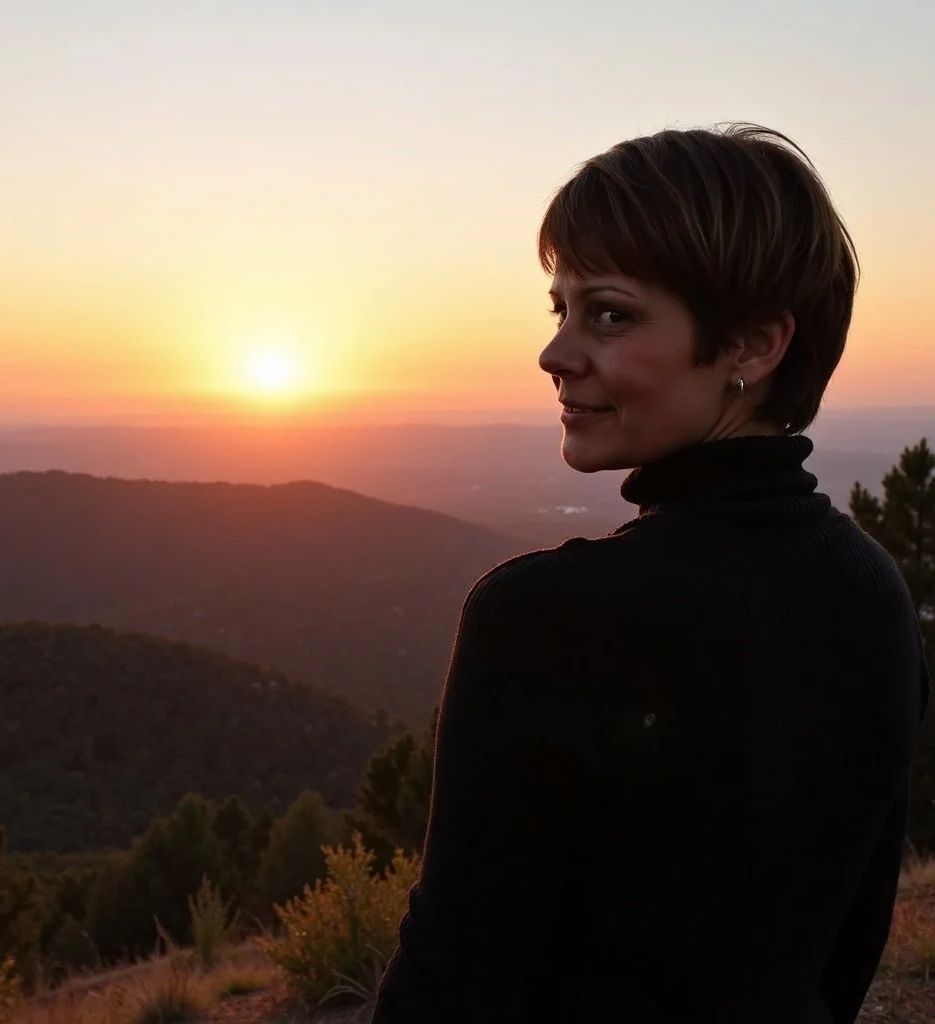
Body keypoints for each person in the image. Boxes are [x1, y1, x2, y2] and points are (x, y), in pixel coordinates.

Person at [370, 124, 929, 1023]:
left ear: (753, 345)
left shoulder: (547, 617)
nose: (556, 354)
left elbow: (451, 988)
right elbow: (842, 953)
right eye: (558, 309)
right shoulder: (875, 591)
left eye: (610, 313)